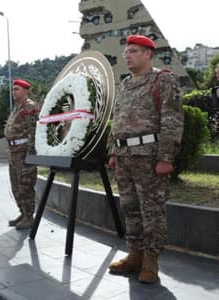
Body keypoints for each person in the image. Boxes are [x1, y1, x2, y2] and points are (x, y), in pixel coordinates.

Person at [107, 35, 183, 284]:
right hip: (124, 156)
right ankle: (134, 255)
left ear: (148, 54)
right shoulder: (125, 85)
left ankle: (151, 260)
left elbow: (172, 120)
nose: (127, 55)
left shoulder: (163, 79)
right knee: (129, 208)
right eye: (126, 52)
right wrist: (112, 152)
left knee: (151, 210)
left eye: (134, 51)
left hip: (149, 157)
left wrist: (166, 157)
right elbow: (116, 120)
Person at [4, 79, 40, 230]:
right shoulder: (16, 108)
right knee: (16, 186)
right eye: (13, 89)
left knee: (25, 185)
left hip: (24, 152)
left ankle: (29, 216)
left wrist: (30, 155)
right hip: (13, 153)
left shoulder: (30, 107)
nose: (14, 92)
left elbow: (34, 131)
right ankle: (23, 213)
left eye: (17, 89)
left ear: (25, 91)